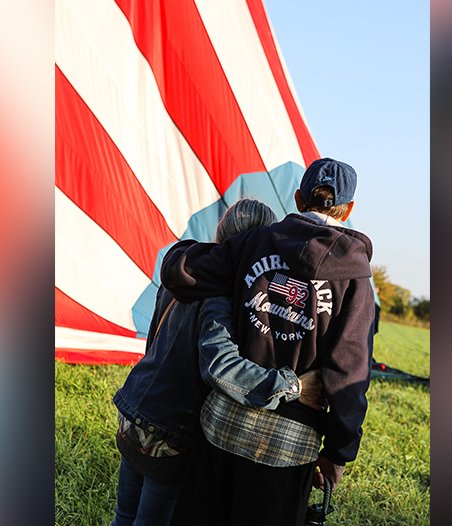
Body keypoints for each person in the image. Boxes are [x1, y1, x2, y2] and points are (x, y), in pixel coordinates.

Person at [162, 158, 375, 526]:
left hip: (222, 428)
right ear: (349, 209)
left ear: (297, 198)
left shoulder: (253, 243)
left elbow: (179, 271)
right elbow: (348, 374)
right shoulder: (356, 284)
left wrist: (191, 255)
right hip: (289, 449)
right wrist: (338, 453)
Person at [110, 199, 326, 526]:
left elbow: (154, 338)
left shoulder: (184, 268)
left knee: (123, 518)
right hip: (170, 433)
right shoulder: (221, 296)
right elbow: (220, 367)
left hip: (132, 410)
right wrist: (291, 386)